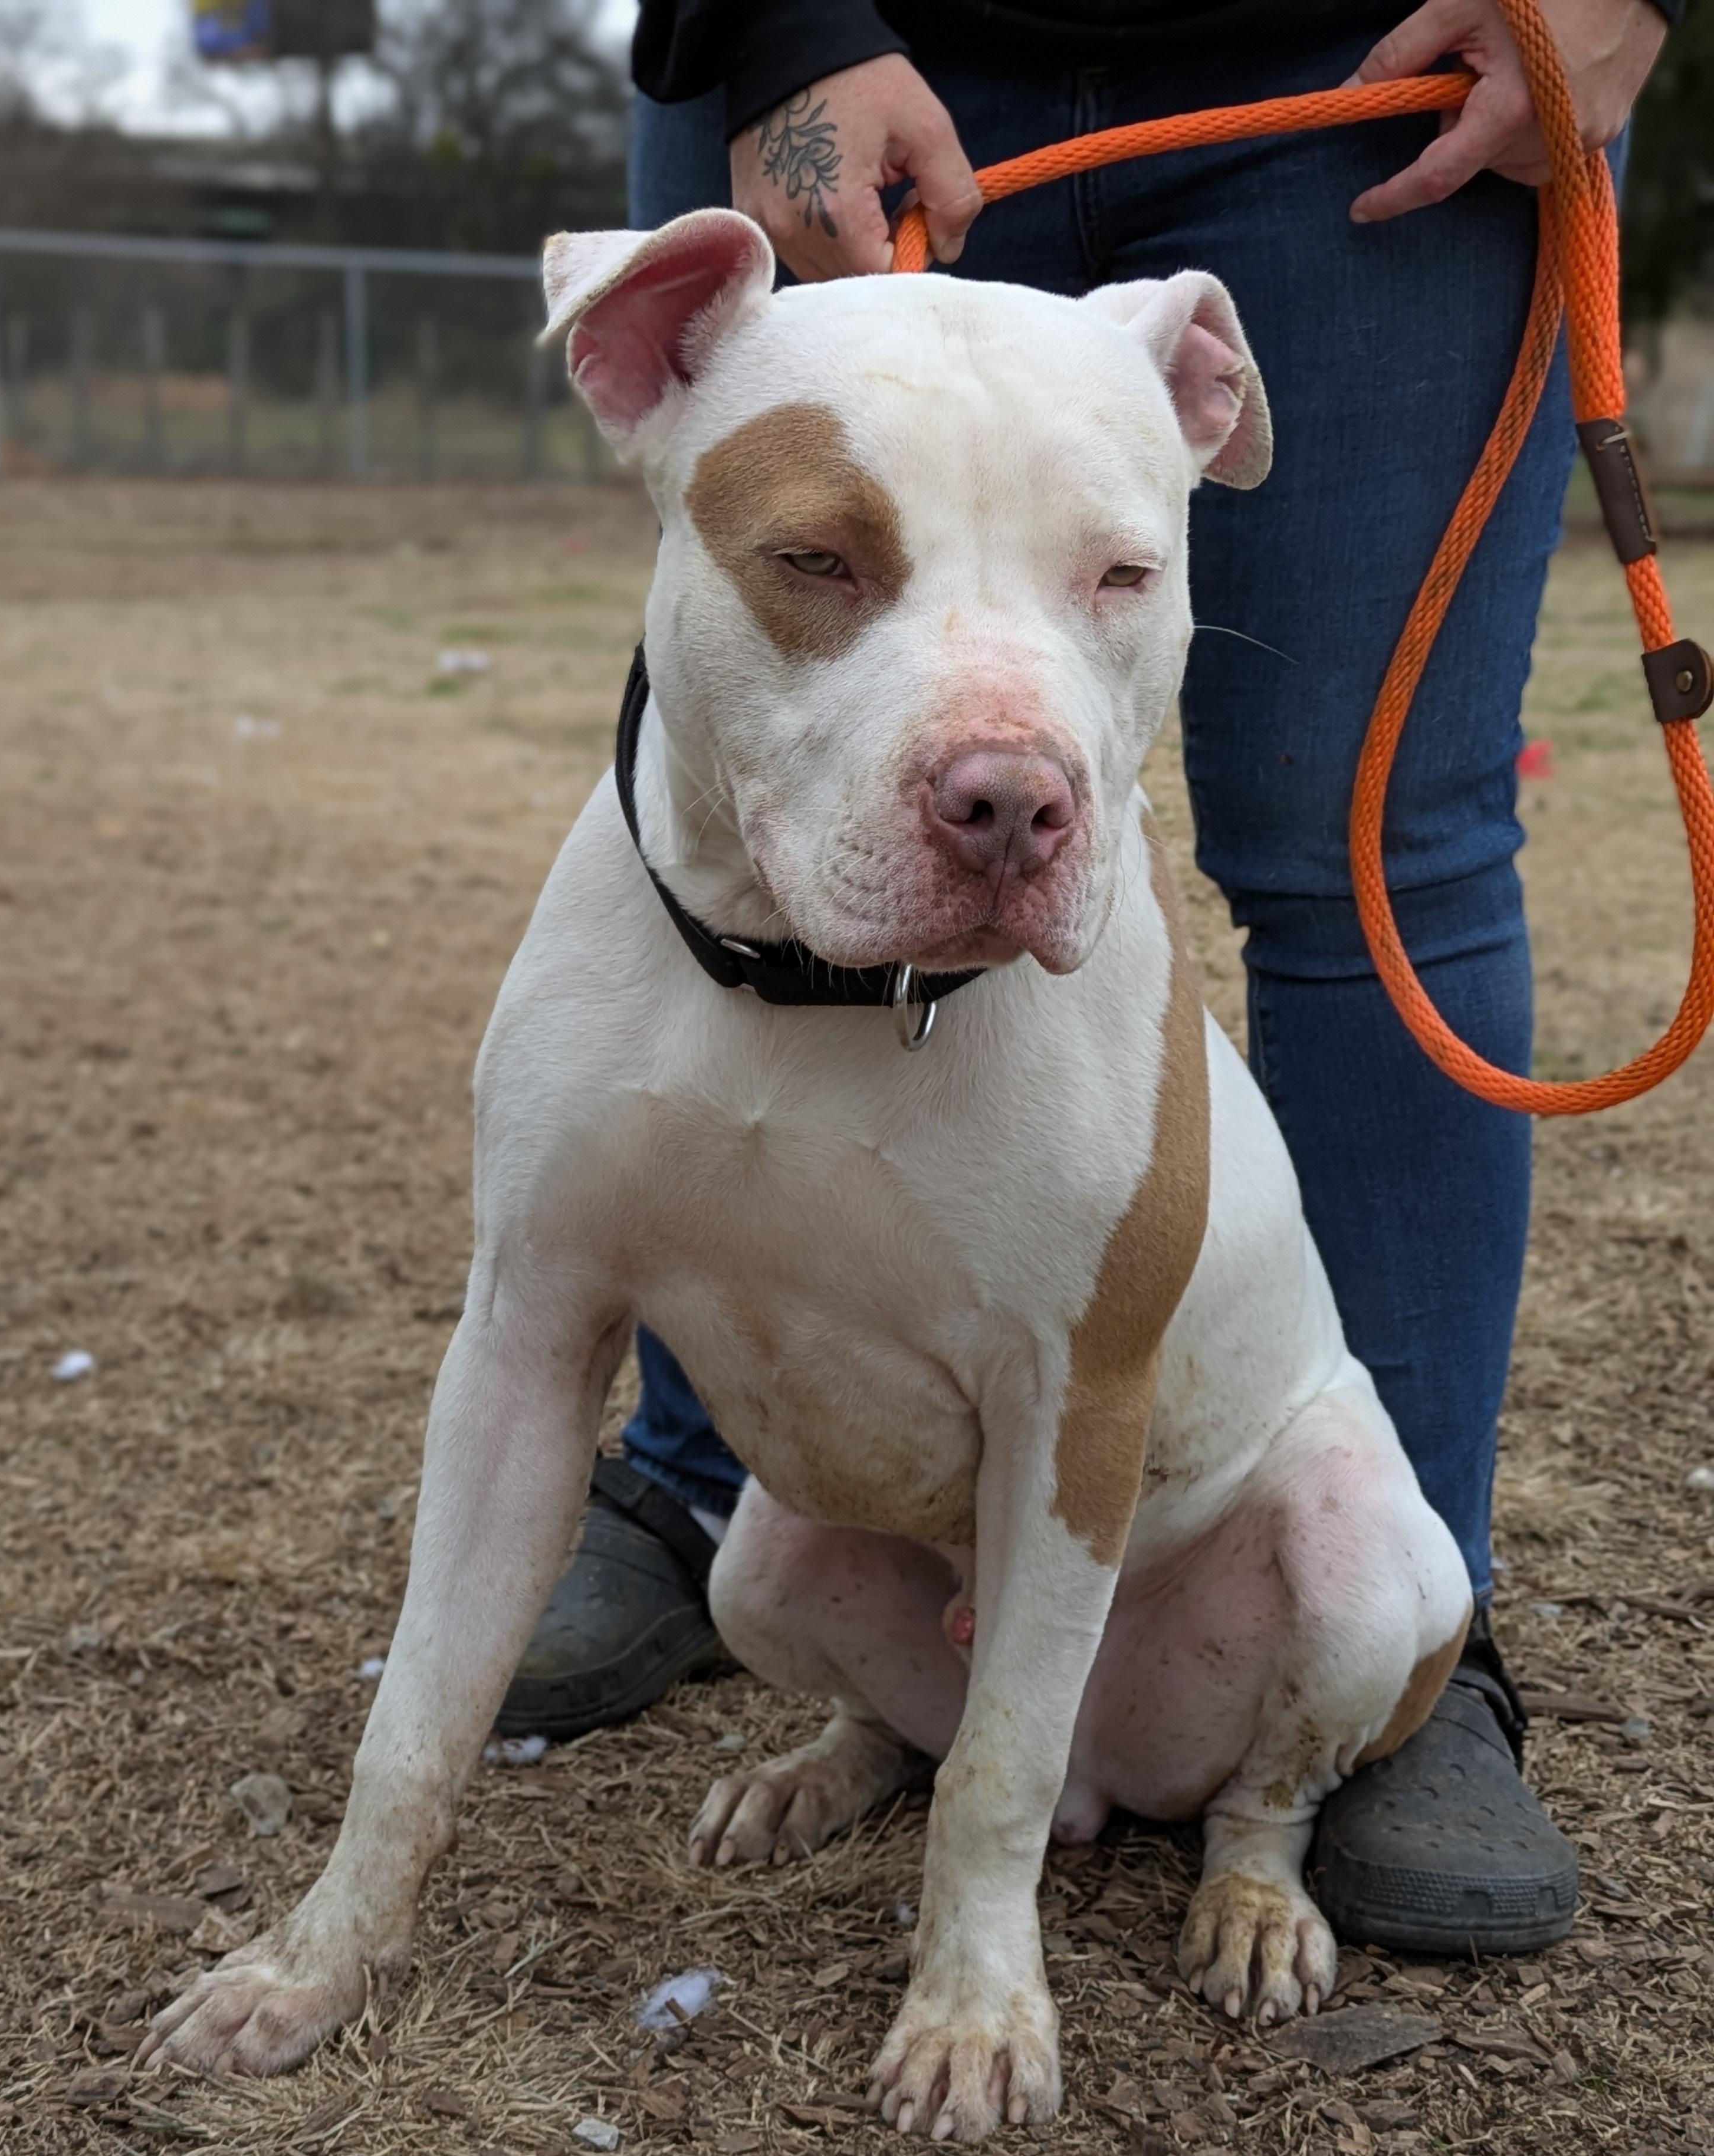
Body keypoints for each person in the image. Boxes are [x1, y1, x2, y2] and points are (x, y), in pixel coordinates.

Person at [497, 0, 1680, 1955]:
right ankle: (713, 1498)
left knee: (1377, 843)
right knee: (771, 781)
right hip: (846, 36)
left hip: (1378, 63)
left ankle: (1393, 1610)